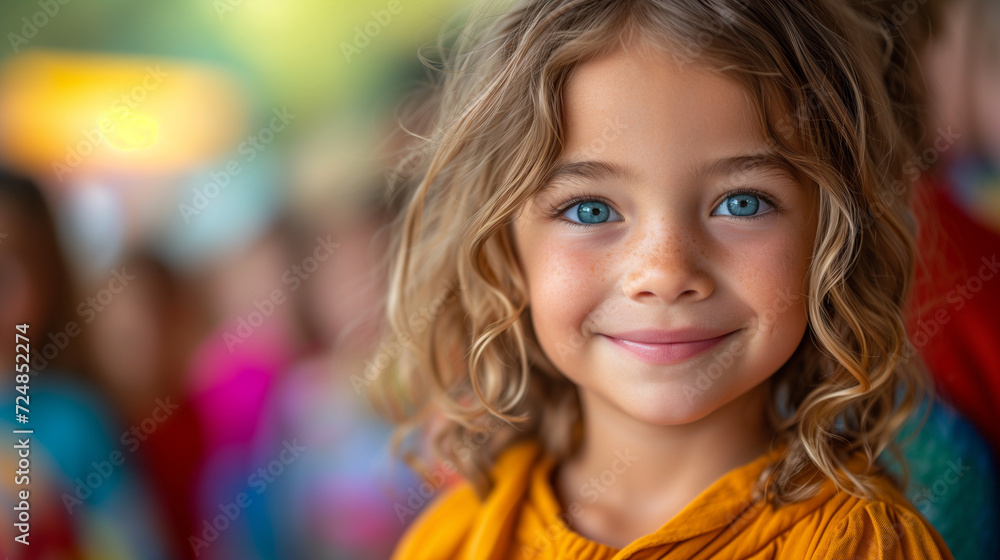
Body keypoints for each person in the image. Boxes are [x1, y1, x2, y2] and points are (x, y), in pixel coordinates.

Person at [370, 1, 964, 558]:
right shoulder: (456, 537)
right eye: (590, 210)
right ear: (503, 249)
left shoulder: (862, 546)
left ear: (833, 233)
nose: (666, 273)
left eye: (742, 203)